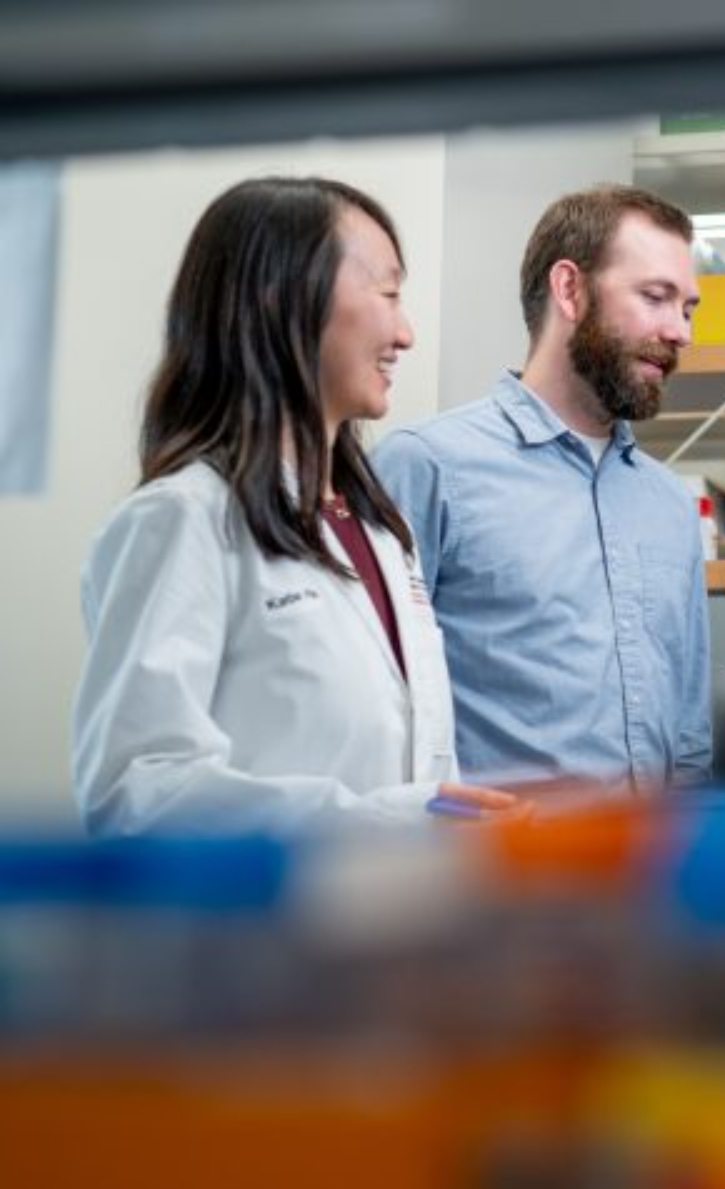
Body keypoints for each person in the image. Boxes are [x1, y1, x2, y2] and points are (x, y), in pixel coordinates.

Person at [72, 177, 513, 835]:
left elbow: (412, 762)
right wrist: (387, 823)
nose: (406, 333)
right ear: (282, 297)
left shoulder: (379, 530)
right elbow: (134, 794)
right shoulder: (185, 519)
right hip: (255, 906)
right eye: (388, 293)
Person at [373, 185, 712, 789]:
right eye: (656, 297)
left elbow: (688, 736)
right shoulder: (427, 468)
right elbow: (376, 711)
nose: (680, 331)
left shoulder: (670, 505)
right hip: (494, 849)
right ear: (570, 289)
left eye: (687, 309)